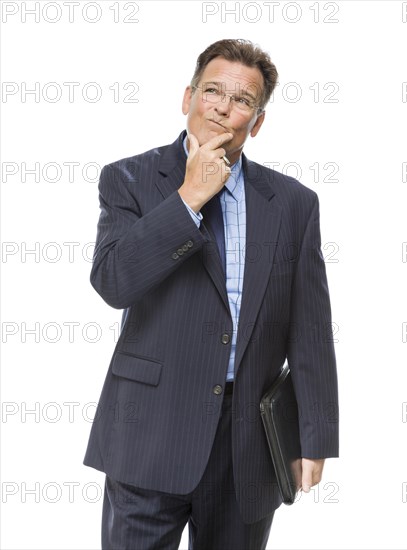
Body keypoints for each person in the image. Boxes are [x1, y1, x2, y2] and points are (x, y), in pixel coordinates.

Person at [83, 38, 339, 550]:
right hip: (148, 435)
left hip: (247, 447)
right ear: (188, 97)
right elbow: (114, 281)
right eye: (212, 91)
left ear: (258, 122)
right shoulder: (129, 179)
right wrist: (189, 197)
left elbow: (309, 327)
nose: (224, 106)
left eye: (242, 100)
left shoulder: (293, 204)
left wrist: (315, 435)